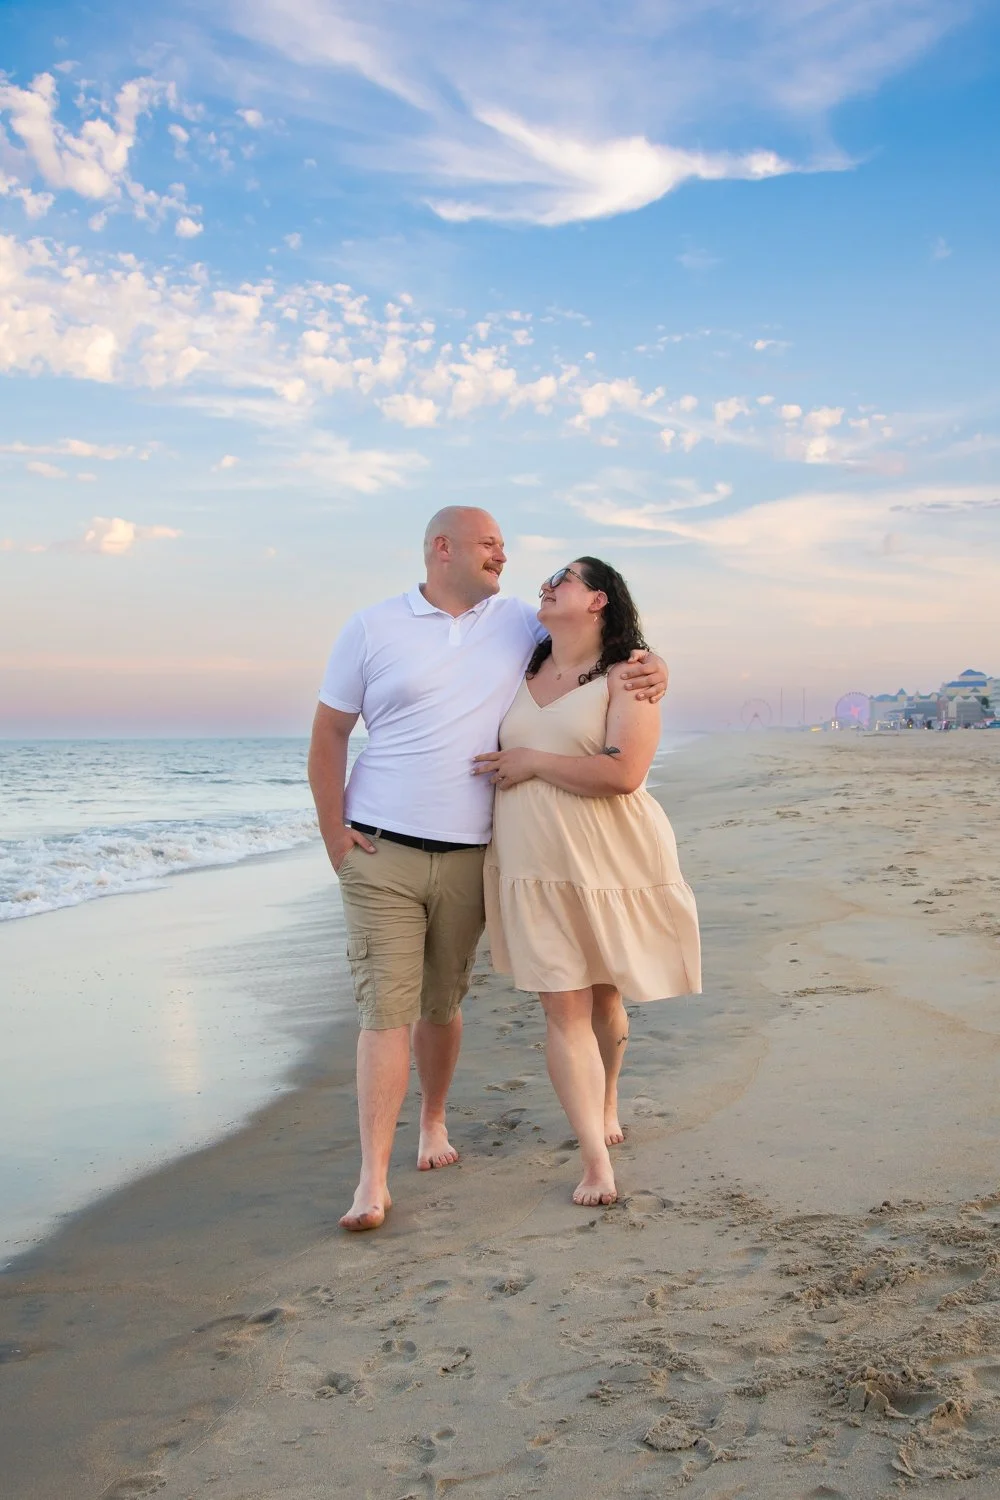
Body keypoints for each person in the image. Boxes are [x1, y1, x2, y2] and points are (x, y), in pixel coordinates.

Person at [308, 510, 668, 1232]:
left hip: (477, 852)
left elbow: (598, 646)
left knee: (442, 1004)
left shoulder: (518, 624)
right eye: (489, 543)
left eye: (504, 544)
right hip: (380, 848)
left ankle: (433, 1123)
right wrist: (333, 836)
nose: (505, 554)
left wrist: (655, 666)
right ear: (443, 549)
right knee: (385, 1012)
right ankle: (371, 1183)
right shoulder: (372, 627)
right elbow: (330, 733)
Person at [473, 557, 701, 1208]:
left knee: (604, 995)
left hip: (607, 858)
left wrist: (532, 761)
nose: (547, 582)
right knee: (562, 1004)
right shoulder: (519, 665)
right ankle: (596, 1162)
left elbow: (624, 772)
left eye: (564, 576)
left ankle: (607, 1099)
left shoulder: (630, 675)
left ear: (598, 599)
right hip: (532, 863)